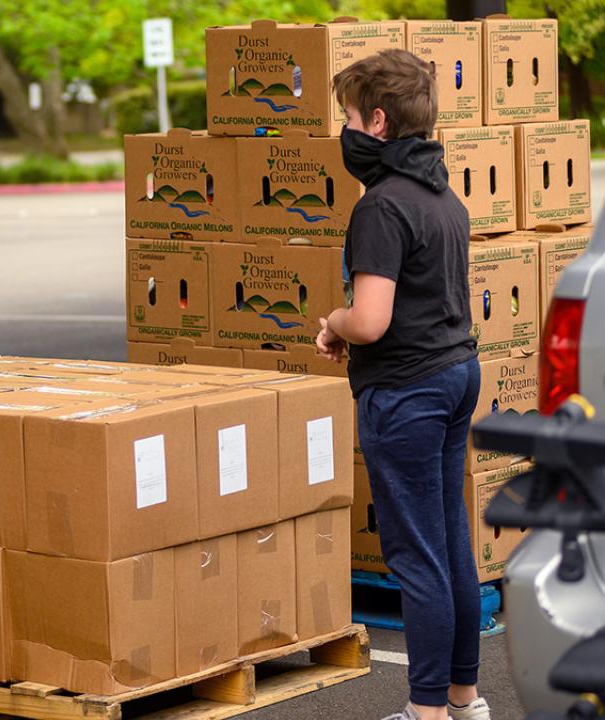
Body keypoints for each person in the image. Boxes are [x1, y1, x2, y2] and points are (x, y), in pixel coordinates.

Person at [314, 49, 486, 720]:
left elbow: (372, 319)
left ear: (376, 122)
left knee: (417, 559)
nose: (345, 129)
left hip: (406, 392)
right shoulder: (444, 194)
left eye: (348, 116)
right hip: (454, 373)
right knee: (450, 547)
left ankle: (425, 714)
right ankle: (465, 702)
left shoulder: (381, 208)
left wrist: (333, 321)